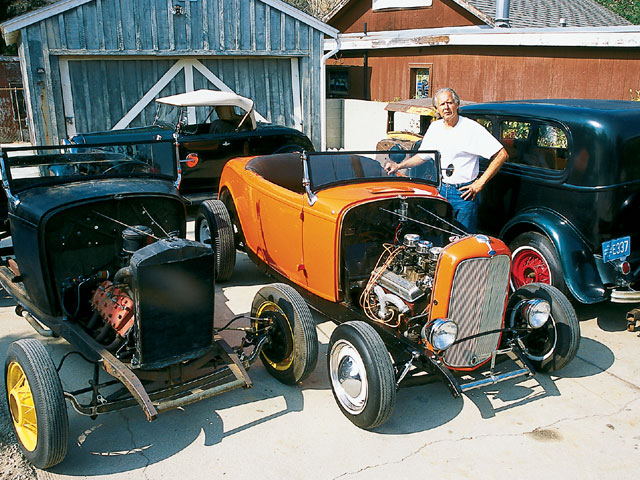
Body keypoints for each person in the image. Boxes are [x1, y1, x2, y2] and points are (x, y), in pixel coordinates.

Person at [384, 87, 508, 233]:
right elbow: (421, 156)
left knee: (462, 239)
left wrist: (479, 183)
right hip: (441, 190)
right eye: (442, 104)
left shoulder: (472, 128)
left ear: (457, 104)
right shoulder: (435, 128)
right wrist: (399, 166)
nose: (446, 107)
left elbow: (502, 154)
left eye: (449, 103)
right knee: (439, 236)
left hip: (464, 194)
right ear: (437, 108)